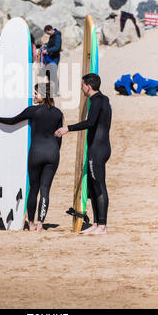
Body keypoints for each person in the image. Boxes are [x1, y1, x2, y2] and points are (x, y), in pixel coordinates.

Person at [0, 83, 63, 232]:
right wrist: (54, 152)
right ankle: (40, 224)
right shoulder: (58, 113)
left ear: (44, 95)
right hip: (52, 153)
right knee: (45, 189)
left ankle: (30, 223)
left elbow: (13, 121)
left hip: (36, 153)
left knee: (34, 188)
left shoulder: (33, 111)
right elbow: (59, 138)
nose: (34, 96)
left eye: (36, 93)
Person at [55, 74, 111, 235]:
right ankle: (96, 223)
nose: (81, 88)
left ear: (88, 86)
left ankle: (102, 225)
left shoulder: (96, 101)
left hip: (97, 149)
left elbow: (90, 122)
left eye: (82, 85)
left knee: (99, 186)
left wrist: (68, 128)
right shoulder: (104, 99)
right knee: (93, 188)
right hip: (102, 147)